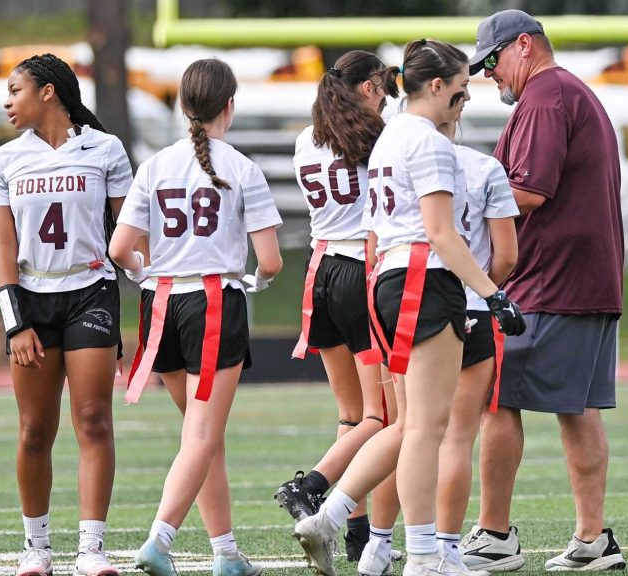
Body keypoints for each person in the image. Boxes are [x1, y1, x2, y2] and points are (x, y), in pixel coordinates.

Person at [292, 38, 525, 576]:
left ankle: (330, 515)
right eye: (462, 89)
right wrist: (493, 295)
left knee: (405, 424)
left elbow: (376, 233)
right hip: (424, 278)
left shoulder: (389, 135)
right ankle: (423, 553)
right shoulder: (428, 142)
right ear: (437, 85)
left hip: (386, 277)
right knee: (426, 428)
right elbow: (442, 234)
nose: (465, 100)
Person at [458, 9, 627, 572]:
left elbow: (527, 191)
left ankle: (495, 534)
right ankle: (592, 538)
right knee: (578, 409)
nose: (489, 76)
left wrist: (452, 201)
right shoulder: (566, 91)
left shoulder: (546, 96)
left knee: (496, 397)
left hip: (550, 281)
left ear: (523, 47)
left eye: (493, 62)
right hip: (584, 278)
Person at [108, 58, 283, 576]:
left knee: (203, 437)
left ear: (183, 106)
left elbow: (121, 249)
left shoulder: (155, 165)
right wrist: (257, 282)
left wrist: (146, 271)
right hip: (211, 303)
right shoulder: (242, 167)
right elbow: (269, 260)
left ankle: (227, 553)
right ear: (229, 105)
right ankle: (158, 541)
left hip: (161, 304)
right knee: (203, 436)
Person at [0, 53, 132, 576]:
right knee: (33, 431)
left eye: (15, 89)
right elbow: (4, 249)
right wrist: (15, 323)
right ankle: (36, 547)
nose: (7, 101)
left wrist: (153, 284)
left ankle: (91, 549)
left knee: (93, 420)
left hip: (91, 292)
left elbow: (127, 236)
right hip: (32, 302)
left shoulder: (106, 150)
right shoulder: (5, 160)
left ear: (48, 92)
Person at [274, 50, 400, 562]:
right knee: (385, 418)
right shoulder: (380, 137)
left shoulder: (307, 138)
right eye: (383, 87)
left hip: (320, 272)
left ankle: (356, 530)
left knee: (351, 417)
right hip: (360, 273)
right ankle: (315, 487)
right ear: (369, 88)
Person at [432, 113, 519, 571]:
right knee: (457, 439)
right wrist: (482, 288)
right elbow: (506, 254)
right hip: (470, 307)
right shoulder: (484, 168)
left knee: (406, 431)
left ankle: (381, 542)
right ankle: (444, 549)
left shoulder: (395, 160)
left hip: (412, 303)